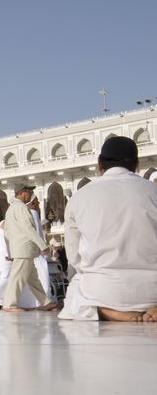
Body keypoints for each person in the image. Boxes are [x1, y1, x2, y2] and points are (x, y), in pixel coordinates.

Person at [60, 136, 157, 322]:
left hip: (104, 292)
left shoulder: (79, 197)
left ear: (99, 164)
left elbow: (75, 258)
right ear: (136, 164)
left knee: (76, 288)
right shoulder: (153, 191)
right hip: (153, 290)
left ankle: (111, 312)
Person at [2, 183, 56, 312]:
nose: (31, 194)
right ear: (21, 192)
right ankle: (9, 304)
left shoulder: (12, 208)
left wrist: (10, 251)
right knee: (18, 278)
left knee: (33, 279)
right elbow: (28, 228)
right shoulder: (20, 208)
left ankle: (45, 302)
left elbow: (7, 232)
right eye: (28, 191)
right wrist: (43, 245)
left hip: (21, 249)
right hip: (24, 249)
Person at [27, 195, 53, 304]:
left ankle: (40, 301)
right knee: (42, 276)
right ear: (32, 203)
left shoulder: (29, 213)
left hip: (31, 252)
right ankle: (45, 300)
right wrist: (42, 247)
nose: (38, 204)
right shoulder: (33, 213)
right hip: (37, 253)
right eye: (37, 202)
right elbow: (36, 233)